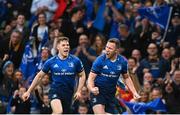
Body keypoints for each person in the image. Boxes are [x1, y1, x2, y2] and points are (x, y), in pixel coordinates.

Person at [22, 37, 86, 114]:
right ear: (58, 47)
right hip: (55, 91)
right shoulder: (51, 61)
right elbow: (39, 76)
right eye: (63, 45)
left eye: (67, 45)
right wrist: (28, 91)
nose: (66, 47)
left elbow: (82, 75)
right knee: (58, 111)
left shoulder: (76, 61)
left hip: (69, 93)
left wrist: (79, 91)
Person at [87, 38, 140, 114]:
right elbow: (91, 78)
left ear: (116, 50)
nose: (107, 50)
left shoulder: (122, 62)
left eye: (110, 48)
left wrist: (134, 92)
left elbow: (127, 77)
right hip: (98, 92)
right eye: (106, 47)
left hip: (111, 94)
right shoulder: (100, 60)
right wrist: (92, 88)